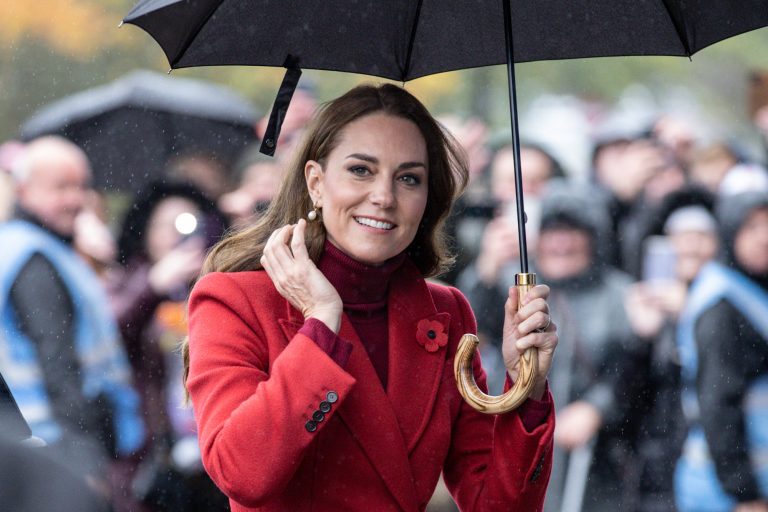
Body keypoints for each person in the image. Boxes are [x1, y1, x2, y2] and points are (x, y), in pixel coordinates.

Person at [183, 84, 558, 511]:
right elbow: (242, 472)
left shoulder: (447, 313)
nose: (384, 197)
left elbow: (499, 506)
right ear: (316, 182)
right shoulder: (234, 300)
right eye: (361, 170)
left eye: (408, 178)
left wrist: (527, 386)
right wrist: (321, 323)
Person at [0, 136, 145, 507]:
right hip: (53, 447)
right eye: (60, 187)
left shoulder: (41, 247)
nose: (75, 199)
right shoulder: (33, 258)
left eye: (81, 186)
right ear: (24, 189)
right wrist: (82, 463)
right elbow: (58, 364)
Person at [675, 191, 768, 512]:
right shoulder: (722, 307)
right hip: (727, 491)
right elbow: (718, 405)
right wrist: (744, 493)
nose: (764, 237)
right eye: (751, 226)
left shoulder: (752, 288)